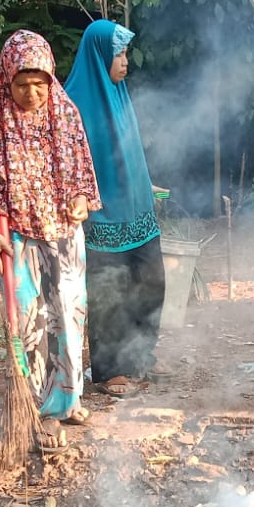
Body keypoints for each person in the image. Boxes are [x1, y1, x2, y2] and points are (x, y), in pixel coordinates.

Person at [0, 31, 102, 441]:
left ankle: (68, 399)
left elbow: (81, 173)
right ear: (7, 79)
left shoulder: (65, 112)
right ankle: (38, 405)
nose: (32, 93)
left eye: (39, 83)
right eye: (22, 84)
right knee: (29, 320)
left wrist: (79, 201)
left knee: (68, 315)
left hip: (63, 233)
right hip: (15, 237)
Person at [62, 20, 166, 394]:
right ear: (99, 56)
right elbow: (70, 164)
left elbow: (127, 151)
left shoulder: (118, 93)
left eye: (124, 53)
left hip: (137, 210)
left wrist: (144, 183)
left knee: (152, 282)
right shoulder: (72, 103)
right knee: (110, 292)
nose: (125, 62)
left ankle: (140, 358)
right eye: (118, 54)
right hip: (100, 215)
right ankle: (108, 371)